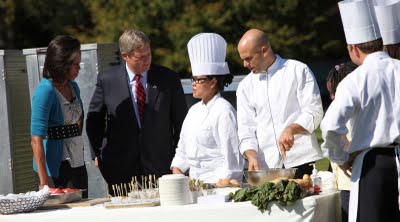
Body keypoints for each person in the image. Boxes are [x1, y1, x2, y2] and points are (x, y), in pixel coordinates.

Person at [321, 1, 400, 221]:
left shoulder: (355, 79)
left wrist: (340, 157)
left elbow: (329, 127)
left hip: (371, 167)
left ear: (353, 48)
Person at [86, 29, 188, 194]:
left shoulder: (168, 79)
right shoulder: (107, 80)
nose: (147, 60)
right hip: (120, 169)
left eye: (149, 54)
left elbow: (181, 122)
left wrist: (181, 159)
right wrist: (96, 153)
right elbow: (94, 119)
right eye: (141, 57)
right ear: (125, 56)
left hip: (161, 165)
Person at [236, 29, 324, 179]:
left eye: (248, 58)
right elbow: (246, 129)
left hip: (301, 160)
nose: (245, 64)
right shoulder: (245, 86)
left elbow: (314, 112)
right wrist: (251, 156)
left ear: (264, 51)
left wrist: (291, 129)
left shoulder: (298, 70)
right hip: (266, 166)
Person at [170, 33, 244, 185]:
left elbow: (233, 161)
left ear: (213, 82)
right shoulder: (193, 111)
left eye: (199, 79)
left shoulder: (224, 111)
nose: (194, 83)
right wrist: (177, 172)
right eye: (193, 79)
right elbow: (182, 151)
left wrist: (217, 185)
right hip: (192, 184)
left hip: (217, 185)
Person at [30, 35, 88, 198]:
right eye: (75, 64)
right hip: (55, 169)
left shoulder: (74, 87)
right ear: (62, 64)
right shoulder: (45, 91)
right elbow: (36, 140)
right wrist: (44, 182)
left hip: (78, 165)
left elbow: (78, 121)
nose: (79, 68)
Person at [326, 62, 357, 222]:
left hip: (348, 182)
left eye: (333, 93)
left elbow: (336, 134)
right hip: (343, 183)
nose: (331, 97)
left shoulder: (342, 110)